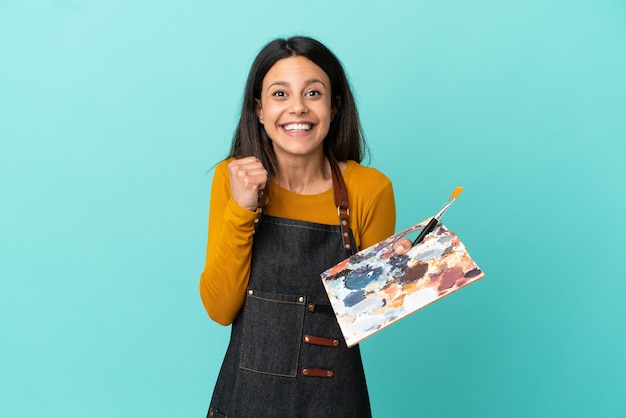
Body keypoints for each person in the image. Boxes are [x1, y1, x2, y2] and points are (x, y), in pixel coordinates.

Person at [199, 36, 411, 418]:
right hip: (244, 403)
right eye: (280, 94)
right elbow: (219, 308)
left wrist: (400, 275)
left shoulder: (370, 189)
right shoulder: (231, 178)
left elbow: (365, 321)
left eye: (313, 92)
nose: (298, 107)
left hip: (334, 404)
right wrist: (243, 208)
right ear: (259, 110)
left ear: (335, 106)